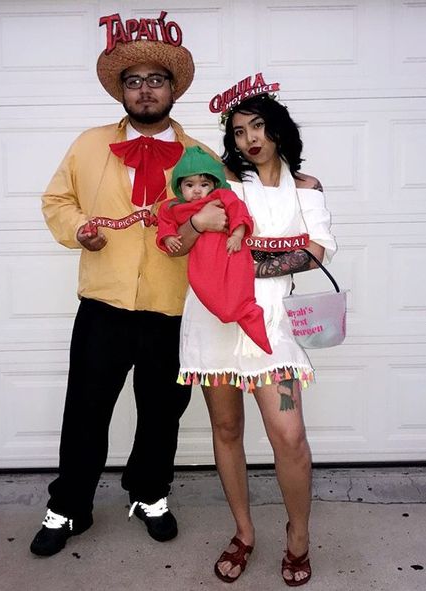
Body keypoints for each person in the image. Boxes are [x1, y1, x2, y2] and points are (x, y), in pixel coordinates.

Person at [29, 12, 227, 557]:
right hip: (103, 304)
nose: (144, 90)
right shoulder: (89, 145)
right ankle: (69, 506)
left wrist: (298, 182)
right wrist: (78, 231)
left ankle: (150, 493)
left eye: (155, 80)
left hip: (174, 306)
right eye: (133, 81)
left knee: (163, 412)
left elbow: (232, 212)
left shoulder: (204, 157)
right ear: (122, 90)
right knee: (86, 409)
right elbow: (57, 201)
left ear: (172, 89)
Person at [173, 74, 337, 585]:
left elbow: (316, 251)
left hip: (270, 324)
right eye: (240, 131)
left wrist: (245, 258)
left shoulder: (306, 188)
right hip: (214, 320)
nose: (251, 138)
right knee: (226, 429)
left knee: (289, 436)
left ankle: (299, 537)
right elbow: (179, 233)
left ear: (278, 129)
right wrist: (198, 226)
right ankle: (244, 532)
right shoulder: (222, 186)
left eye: (259, 126)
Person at [157, 145, 271, 355]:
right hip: (202, 261)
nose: (197, 190)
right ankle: (231, 313)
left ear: (214, 184)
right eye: (189, 185)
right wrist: (169, 236)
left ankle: (248, 313)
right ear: (179, 186)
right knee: (205, 287)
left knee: (238, 285)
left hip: (230, 251)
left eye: (204, 184)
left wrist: (237, 234)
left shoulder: (221, 197)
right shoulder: (172, 207)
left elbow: (240, 211)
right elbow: (165, 223)